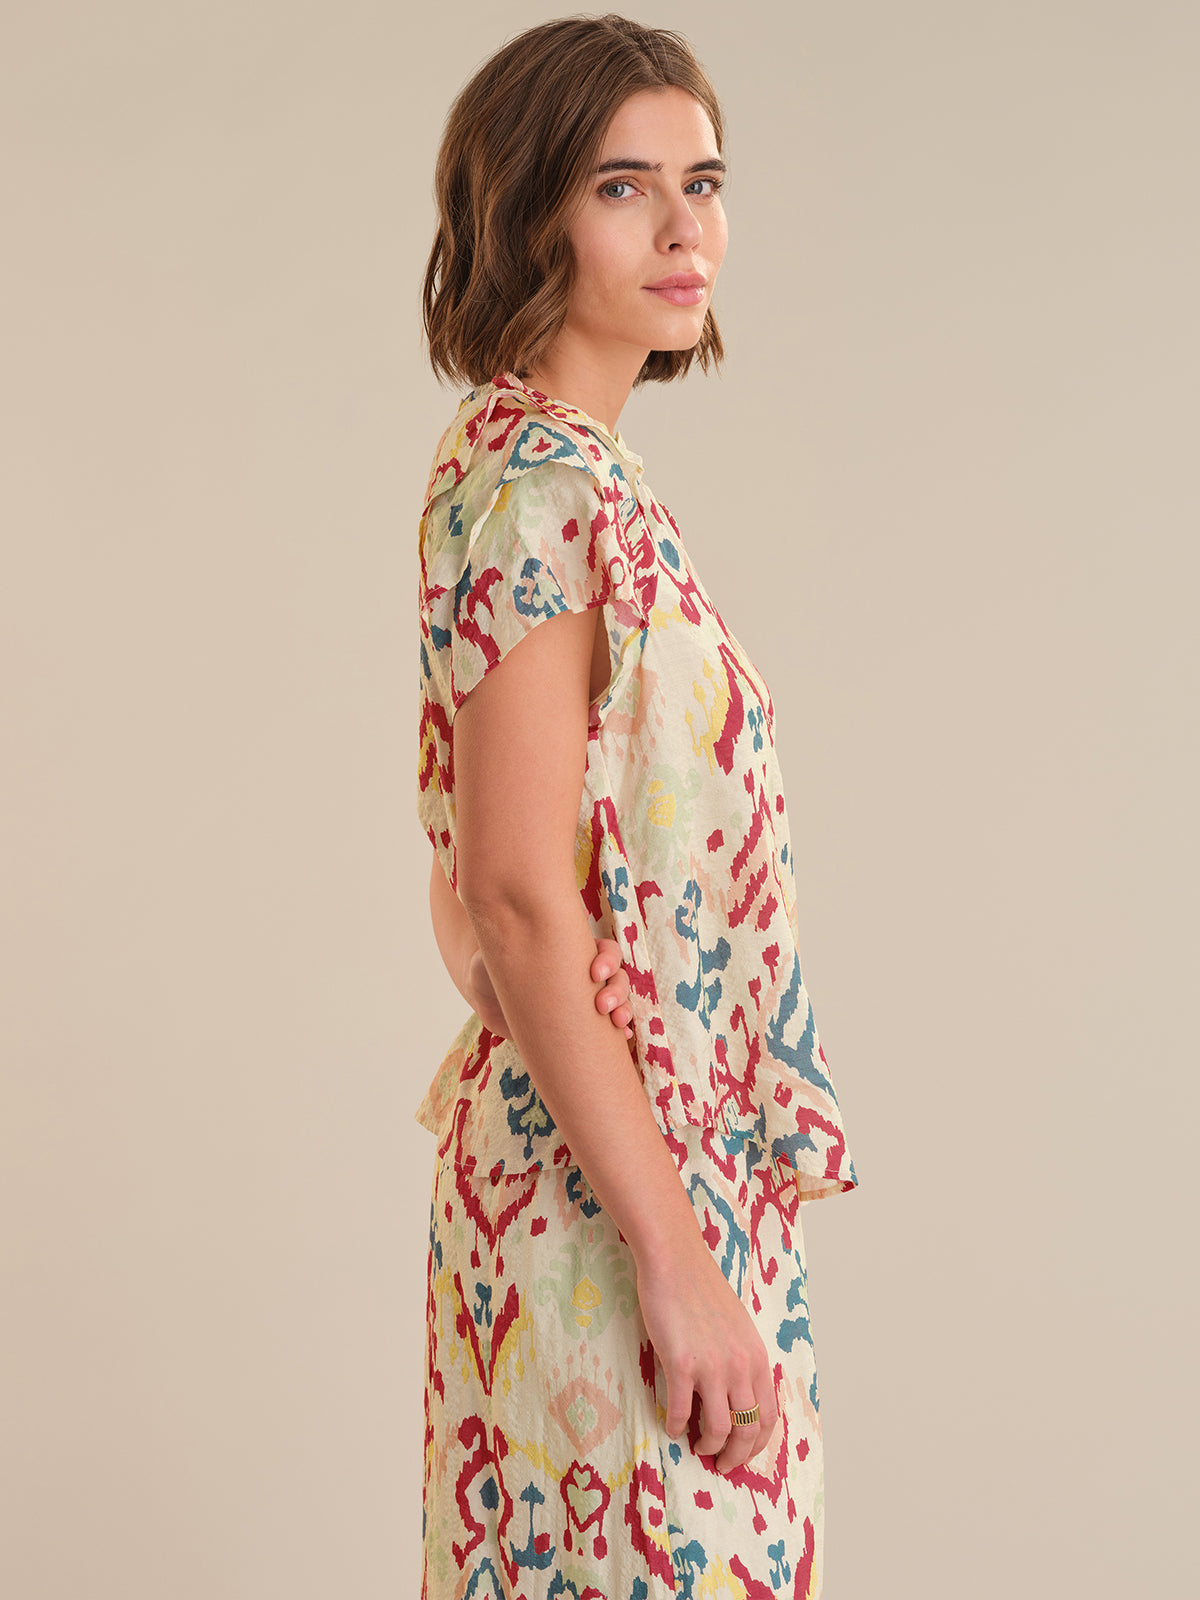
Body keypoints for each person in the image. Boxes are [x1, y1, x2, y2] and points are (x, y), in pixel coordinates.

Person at [415, 14, 860, 1597]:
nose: (687, 228)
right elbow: (521, 896)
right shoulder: (535, 484)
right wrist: (675, 1265)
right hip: (613, 1200)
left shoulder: (563, 476)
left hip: (636, 1160)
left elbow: (480, 895)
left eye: (704, 180)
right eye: (625, 186)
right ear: (532, 212)